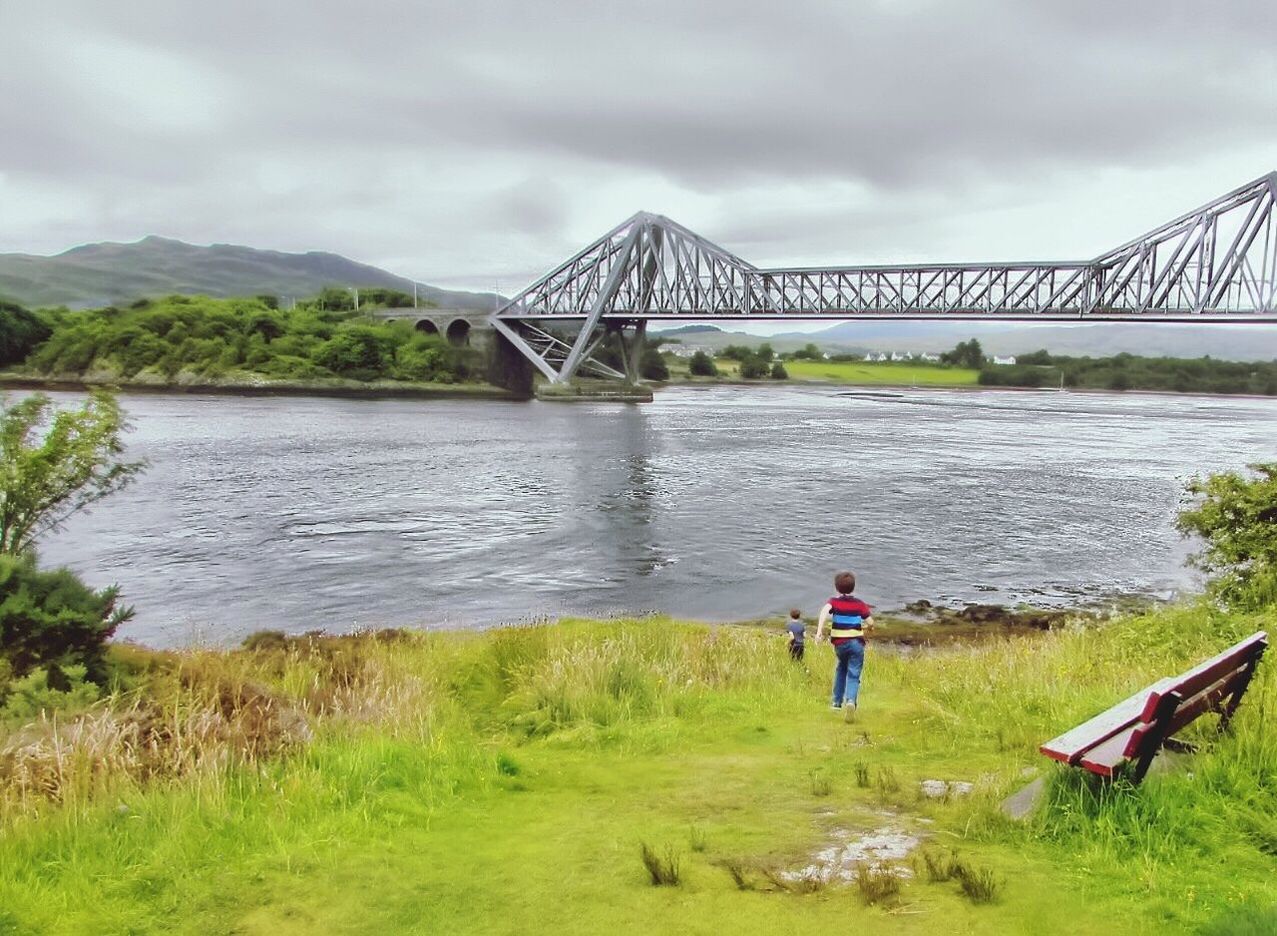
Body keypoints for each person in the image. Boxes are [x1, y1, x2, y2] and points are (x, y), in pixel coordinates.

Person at [815, 571, 874, 710]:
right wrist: (870, 627)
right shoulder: (859, 604)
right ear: (853, 587)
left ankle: (836, 703)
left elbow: (824, 611)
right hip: (856, 643)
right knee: (854, 672)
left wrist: (819, 632)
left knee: (841, 668)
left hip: (840, 644)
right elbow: (870, 621)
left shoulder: (834, 602)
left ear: (837, 588)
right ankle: (850, 701)